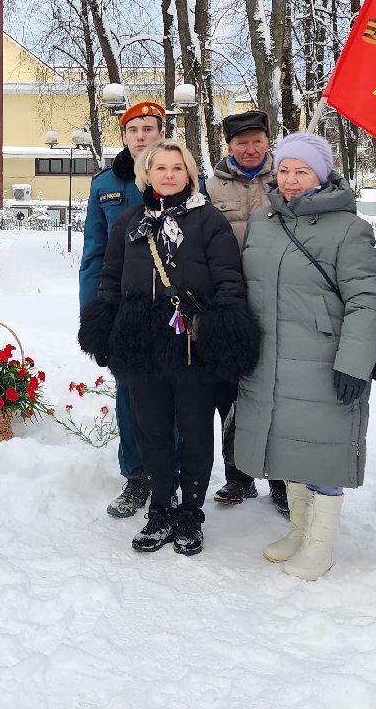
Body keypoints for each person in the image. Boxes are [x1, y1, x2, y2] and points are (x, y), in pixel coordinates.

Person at [78, 140, 261, 557]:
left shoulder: (209, 220)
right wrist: (103, 328)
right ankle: (160, 508)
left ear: (189, 173)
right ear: (147, 174)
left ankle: (191, 513)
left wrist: (227, 333)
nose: (168, 174)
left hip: (192, 342)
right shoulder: (130, 222)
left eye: (176, 167)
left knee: (195, 432)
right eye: (159, 167)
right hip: (141, 342)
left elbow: (229, 282)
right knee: (153, 431)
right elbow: (110, 280)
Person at [229, 132, 376, 581]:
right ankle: (298, 531)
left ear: (321, 174)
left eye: (302, 171)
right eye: (284, 170)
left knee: (322, 453)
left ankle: (320, 546)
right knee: (288, 450)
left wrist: (354, 362)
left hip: (323, 360)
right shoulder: (263, 221)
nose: (291, 179)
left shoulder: (349, 228)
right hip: (270, 358)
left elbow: (367, 300)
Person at [78, 101, 166, 519]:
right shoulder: (105, 185)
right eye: (133, 129)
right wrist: (93, 316)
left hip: (170, 308)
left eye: (149, 128)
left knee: (174, 393)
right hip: (123, 310)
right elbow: (93, 254)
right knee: (129, 395)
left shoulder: (183, 177)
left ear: (161, 133)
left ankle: (171, 475)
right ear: (123, 136)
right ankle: (136, 475)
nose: (141, 136)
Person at [205, 109, 287, 515]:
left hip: (278, 302)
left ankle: (281, 480)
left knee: (275, 394)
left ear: (268, 141)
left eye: (257, 141)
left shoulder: (286, 178)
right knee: (229, 394)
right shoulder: (210, 187)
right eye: (242, 142)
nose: (250, 149)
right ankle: (238, 476)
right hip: (229, 304)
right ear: (229, 146)